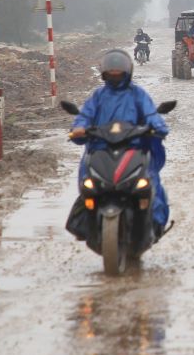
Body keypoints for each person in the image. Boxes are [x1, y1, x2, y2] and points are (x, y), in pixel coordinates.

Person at [69, 49, 170, 235]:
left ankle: (154, 223)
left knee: (151, 180)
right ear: (104, 73)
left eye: (119, 71)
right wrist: (79, 128)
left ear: (127, 71)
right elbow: (85, 115)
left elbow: (150, 114)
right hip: (101, 150)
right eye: (111, 72)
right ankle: (85, 224)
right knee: (87, 183)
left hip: (133, 149)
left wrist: (157, 127)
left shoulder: (138, 94)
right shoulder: (98, 96)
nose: (115, 75)